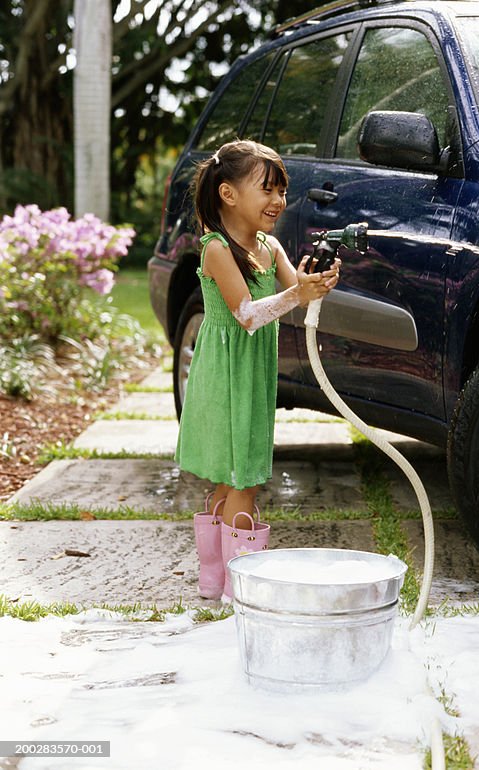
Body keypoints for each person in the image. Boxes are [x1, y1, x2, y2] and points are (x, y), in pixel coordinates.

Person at [175, 139, 339, 600]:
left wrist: (317, 283)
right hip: (226, 374)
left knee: (235, 473)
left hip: (251, 373)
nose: (278, 201)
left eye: (281, 190)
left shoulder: (269, 247)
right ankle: (236, 591)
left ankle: (214, 580)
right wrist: (297, 296)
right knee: (244, 476)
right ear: (228, 194)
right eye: (267, 189)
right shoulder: (216, 250)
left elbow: (297, 289)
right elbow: (246, 314)